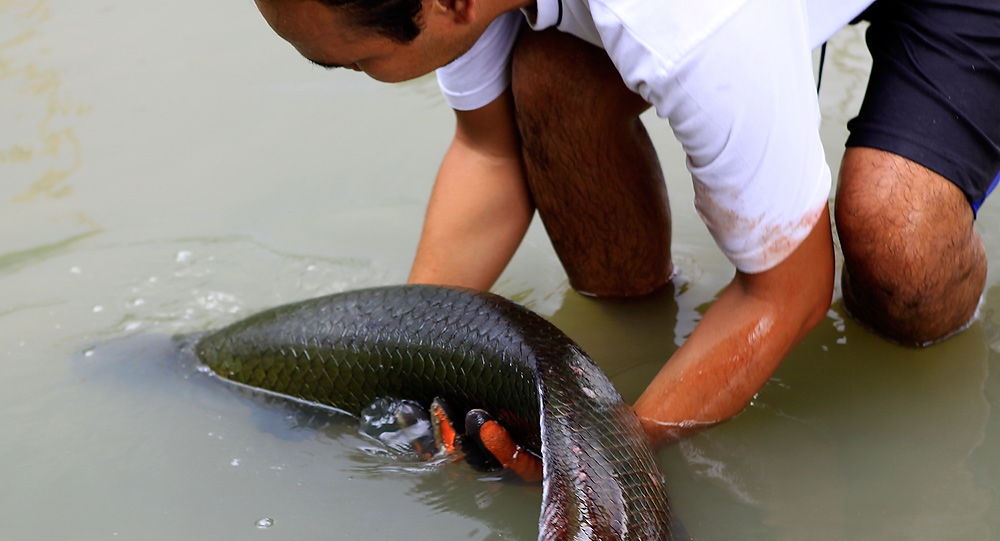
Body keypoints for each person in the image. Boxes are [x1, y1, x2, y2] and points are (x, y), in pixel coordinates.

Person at [253, 0, 1000, 445]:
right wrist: (404, 369)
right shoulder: (463, 7)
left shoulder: (686, 19)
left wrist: (614, 454)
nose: (350, 69)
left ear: (447, 3)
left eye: (357, 63)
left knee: (895, 251)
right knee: (547, 81)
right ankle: (641, 323)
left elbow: (791, 290)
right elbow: (488, 151)